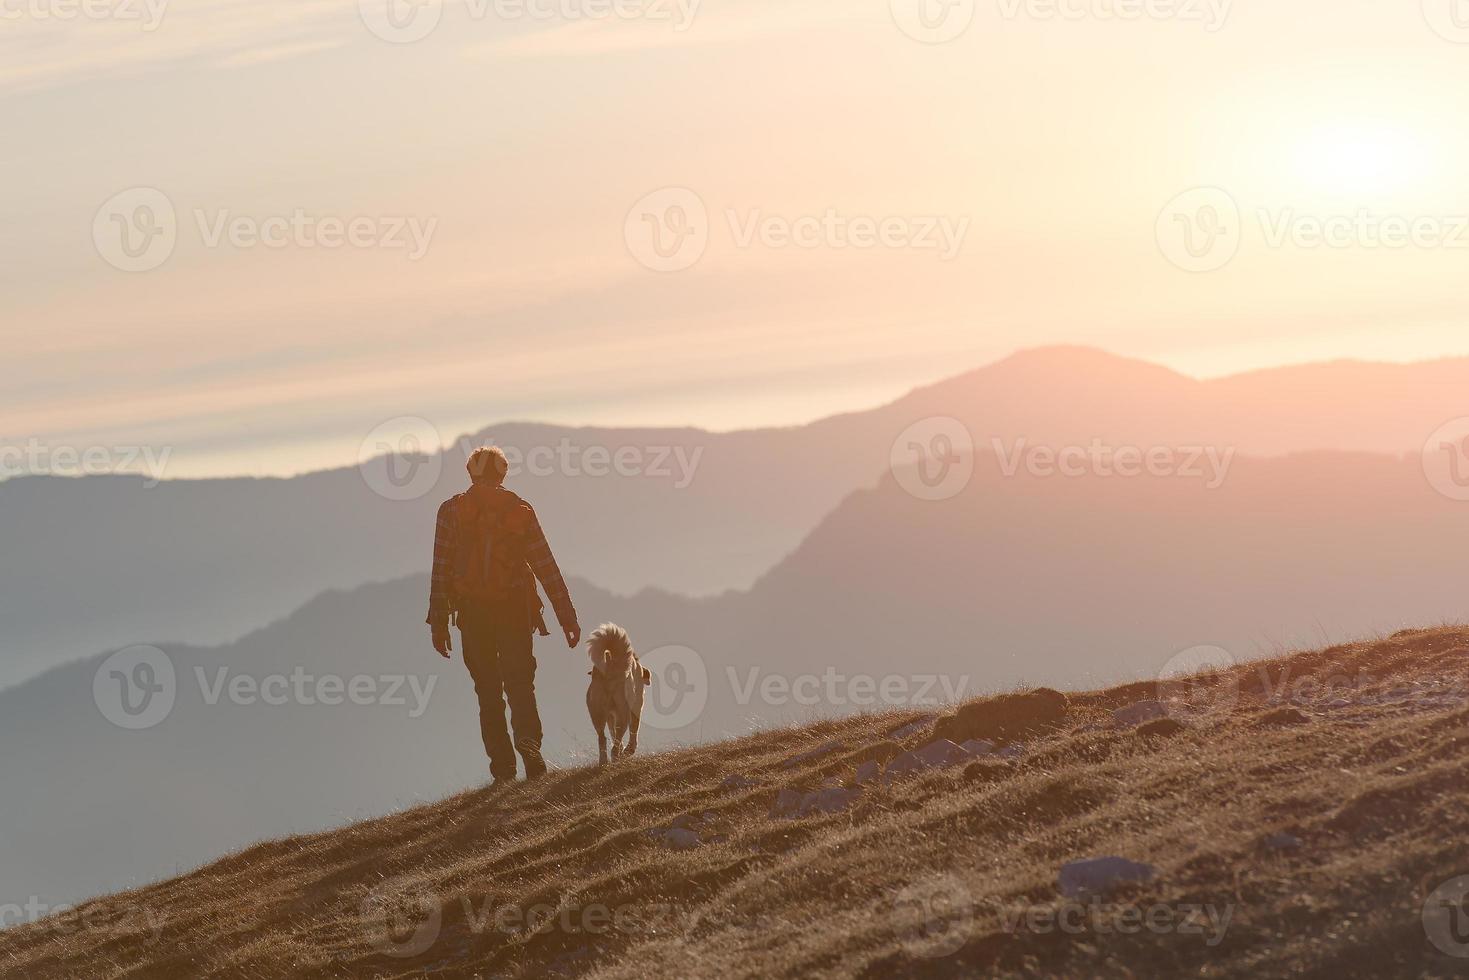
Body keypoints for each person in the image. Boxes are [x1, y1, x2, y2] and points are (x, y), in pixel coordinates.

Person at [427, 446, 581, 785]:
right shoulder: (519, 511)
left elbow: (441, 569)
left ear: (470, 473)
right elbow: (545, 566)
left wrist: (439, 623)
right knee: (520, 685)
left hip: (472, 614)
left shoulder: (451, 511)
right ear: (503, 474)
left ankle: (503, 771)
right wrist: (566, 617)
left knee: (487, 690)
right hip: (514, 611)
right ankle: (531, 755)